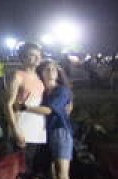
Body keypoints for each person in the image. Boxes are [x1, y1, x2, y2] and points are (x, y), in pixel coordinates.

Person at [6, 42, 48, 177]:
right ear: (23, 58)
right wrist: (15, 130)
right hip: (23, 130)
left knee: (34, 170)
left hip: (39, 131)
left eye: (39, 55)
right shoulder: (18, 75)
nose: (37, 58)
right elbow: (8, 105)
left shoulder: (40, 77)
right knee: (21, 170)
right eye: (32, 55)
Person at [29, 60, 73, 179]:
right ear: (41, 73)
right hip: (44, 133)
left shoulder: (61, 90)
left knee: (62, 172)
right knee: (51, 170)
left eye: (53, 69)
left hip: (60, 131)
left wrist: (24, 107)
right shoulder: (42, 92)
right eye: (47, 69)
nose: (51, 72)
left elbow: (49, 110)